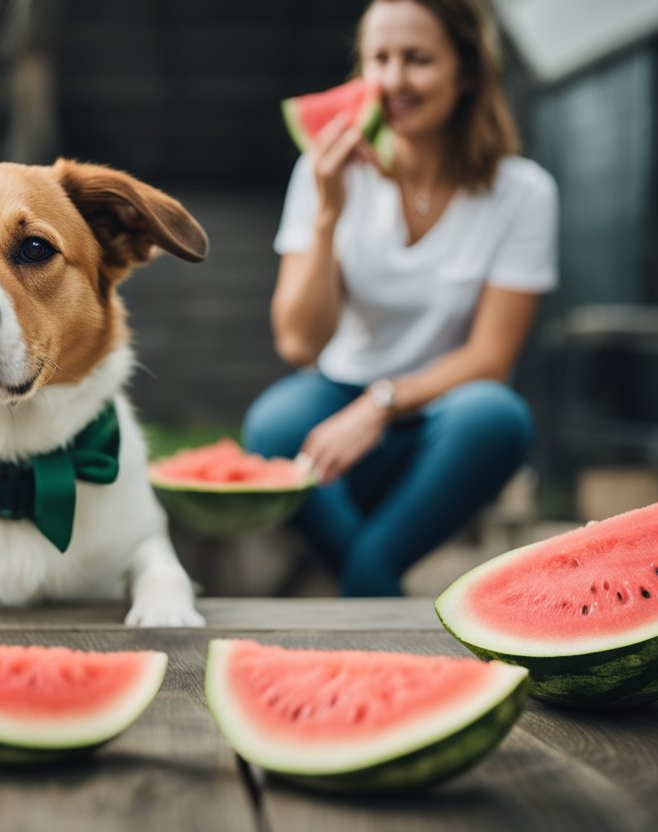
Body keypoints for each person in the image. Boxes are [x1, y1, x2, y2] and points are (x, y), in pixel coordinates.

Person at [242, 0, 558, 596]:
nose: (392, 80)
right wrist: (328, 215)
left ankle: (364, 575)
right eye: (378, 59)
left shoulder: (524, 193)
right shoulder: (324, 172)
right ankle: (376, 579)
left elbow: (490, 358)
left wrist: (381, 404)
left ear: (466, 72)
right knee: (271, 427)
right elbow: (299, 341)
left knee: (498, 416)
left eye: (417, 60)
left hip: (446, 415)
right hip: (335, 392)